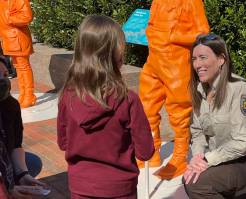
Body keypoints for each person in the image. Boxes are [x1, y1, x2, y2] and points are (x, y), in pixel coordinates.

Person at [57, 15, 154, 199]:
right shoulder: (128, 100)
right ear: (116, 56)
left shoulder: (66, 98)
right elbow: (145, 152)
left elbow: (63, 143)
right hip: (120, 189)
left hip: (80, 187)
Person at [183, 33, 246, 198]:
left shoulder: (242, 91)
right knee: (190, 176)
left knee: (196, 184)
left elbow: (243, 140)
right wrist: (197, 157)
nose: (197, 64)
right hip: (219, 158)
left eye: (203, 57)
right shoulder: (199, 91)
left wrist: (207, 160)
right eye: (194, 59)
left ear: (221, 59)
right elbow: (197, 131)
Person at [138, 0, 210, 180]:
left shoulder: (192, 2)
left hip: (176, 66)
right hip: (153, 62)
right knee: (146, 108)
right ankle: (151, 152)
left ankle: (179, 158)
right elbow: (151, 25)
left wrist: (174, 36)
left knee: (179, 114)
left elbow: (203, 34)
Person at [0, 62, 44, 199]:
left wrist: (22, 174)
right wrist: (6, 189)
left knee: (32, 163)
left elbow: (16, 144)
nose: (3, 80)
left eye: (6, 74)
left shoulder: (11, 105)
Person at [0, 0, 37, 108]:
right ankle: (23, 94)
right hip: (9, 39)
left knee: (23, 67)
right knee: (18, 67)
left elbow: (27, 16)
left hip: (18, 38)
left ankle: (29, 95)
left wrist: (9, 18)